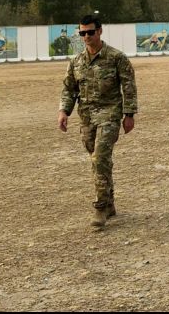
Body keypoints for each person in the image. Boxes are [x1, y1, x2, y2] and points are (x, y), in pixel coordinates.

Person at [58, 14, 137, 228]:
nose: (86, 36)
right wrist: (64, 111)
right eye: (82, 33)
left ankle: (100, 207)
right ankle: (109, 202)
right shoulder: (76, 62)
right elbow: (69, 89)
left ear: (100, 31)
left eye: (90, 32)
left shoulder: (116, 58)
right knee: (99, 160)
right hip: (87, 117)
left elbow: (129, 87)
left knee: (99, 157)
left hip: (109, 114)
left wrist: (129, 115)